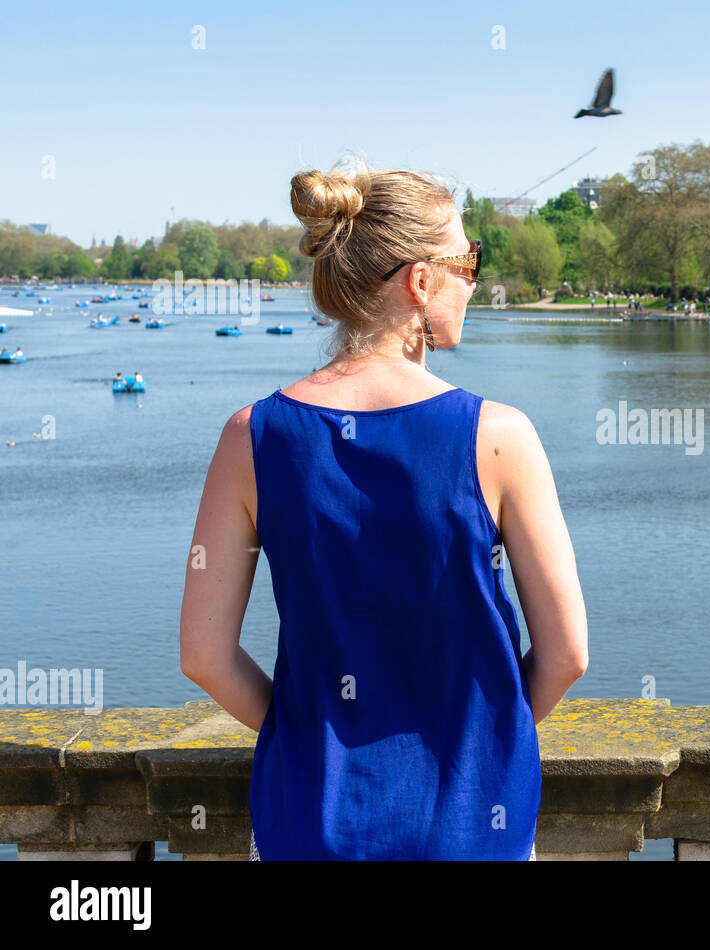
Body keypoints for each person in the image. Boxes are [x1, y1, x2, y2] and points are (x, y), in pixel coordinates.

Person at [179, 163, 588, 861]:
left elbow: (203, 656)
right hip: (472, 829)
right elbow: (568, 655)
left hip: (305, 825)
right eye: (468, 260)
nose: (475, 280)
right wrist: (477, 745)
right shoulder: (499, 438)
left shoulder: (251, 436)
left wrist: (309, 734)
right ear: (420, 281)